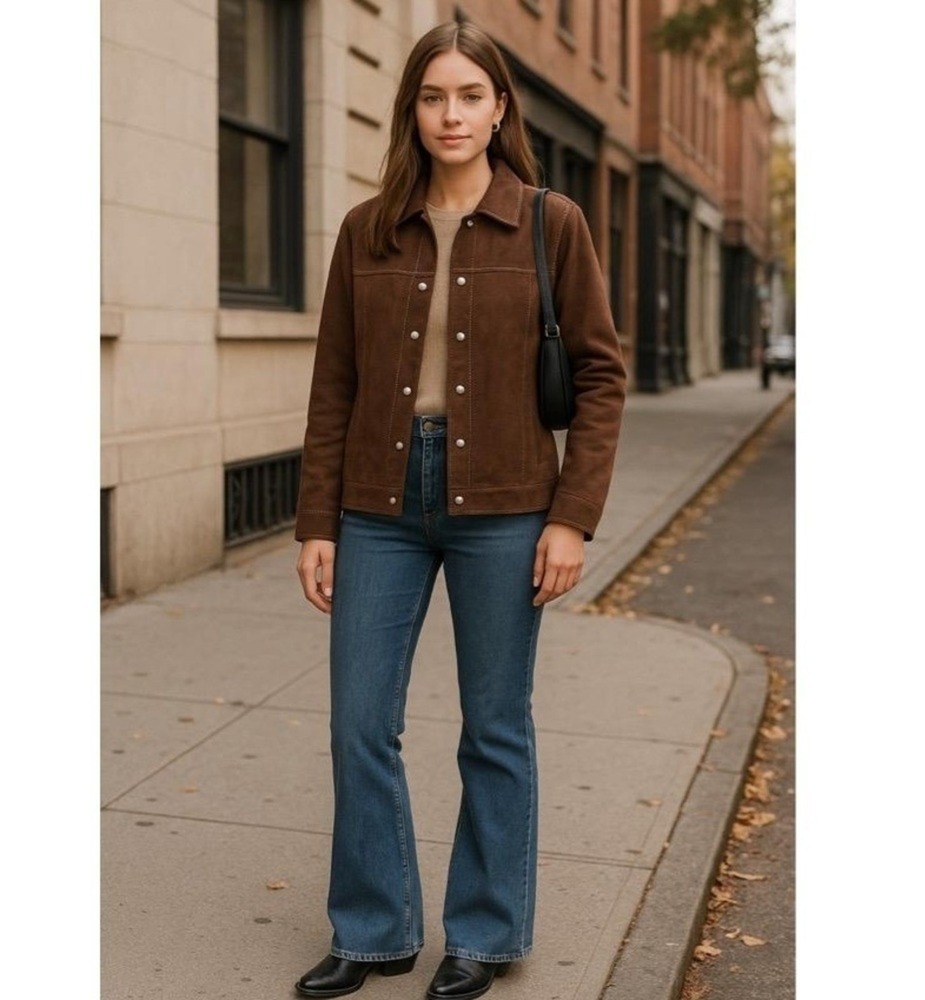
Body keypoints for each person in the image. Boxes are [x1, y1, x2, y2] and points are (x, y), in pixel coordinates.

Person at [292, 19, 626, 1000]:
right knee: (359, 722)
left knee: (494, 728)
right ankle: (373, 929)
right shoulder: (368, 229)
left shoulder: (550, 223)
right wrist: (317, 523)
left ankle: (483, 933)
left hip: (509, 504)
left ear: (499, 108)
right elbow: (334, 384)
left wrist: (571, 516)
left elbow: (601, 377)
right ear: (412, 110)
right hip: (378, 504)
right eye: (433, 97)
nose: (451, 115)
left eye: (470, 96)